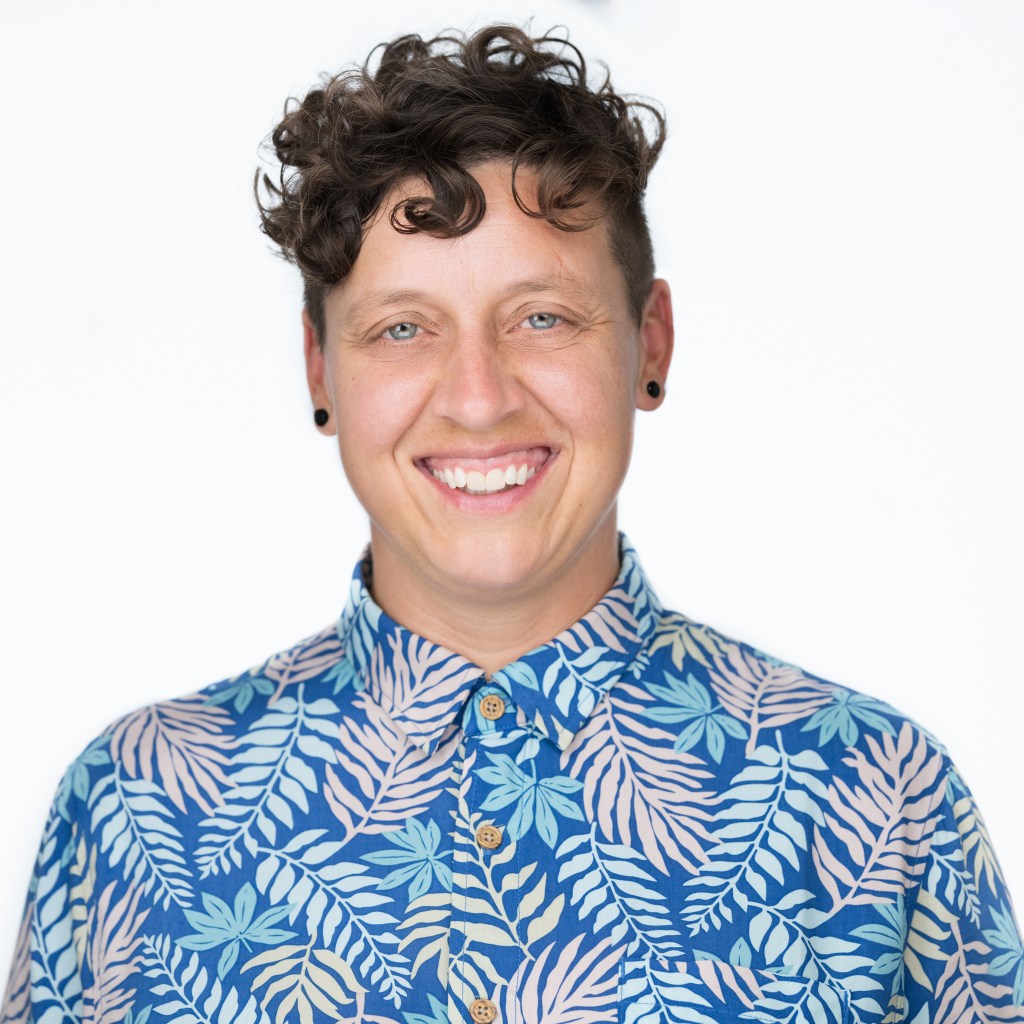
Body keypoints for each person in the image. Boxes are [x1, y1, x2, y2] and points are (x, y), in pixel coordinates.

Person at [2, 22, 1021, 1024]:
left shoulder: (877, 792)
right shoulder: (133, 812)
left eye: (542, 317)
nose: (478, 398)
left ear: (648, 343)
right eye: (403, 329)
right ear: (320, 369)